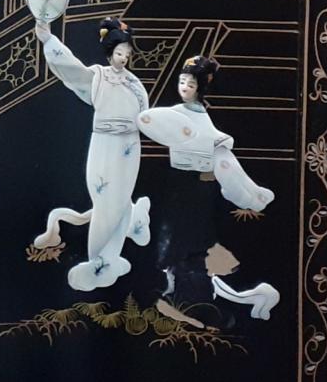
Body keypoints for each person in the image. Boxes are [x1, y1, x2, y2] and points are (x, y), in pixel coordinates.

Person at [136, 55, 279, 320]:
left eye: (190, 84)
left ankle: (195, 299)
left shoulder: (200, 117)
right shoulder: (177, 114)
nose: (184, 88)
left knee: (192, 244)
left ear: (200, 88)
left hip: (196, 188)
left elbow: (217, 150)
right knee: (176, 241)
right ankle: (179, 292)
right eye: (182, 82)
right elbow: (150, 122)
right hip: (180, 185)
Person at [32, 17, 153, 292]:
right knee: (104, 198)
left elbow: (146, 116)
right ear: (110, 53)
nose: (123, 58)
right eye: (119, 53)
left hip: (129, 145)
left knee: (120, 197)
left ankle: (112, 250)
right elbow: (71, 69)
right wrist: (48, 39)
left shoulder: (134, 83)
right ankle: (99, 257)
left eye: (127, 54)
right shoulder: (98, 77)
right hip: (104, 143)